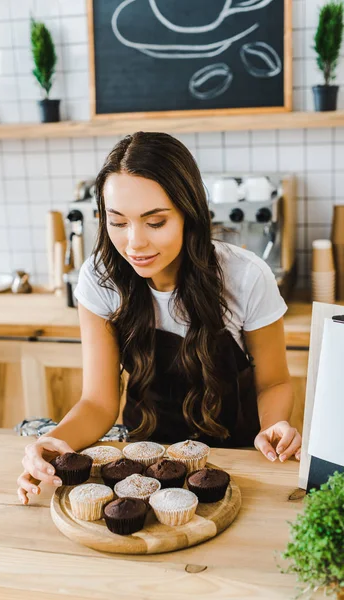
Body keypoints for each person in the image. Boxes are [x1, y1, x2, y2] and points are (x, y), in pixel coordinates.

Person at [17, 131, 302, 505]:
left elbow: (274, 381)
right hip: (142, 462)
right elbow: (99, 402)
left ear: (189, 213)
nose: (134, 243)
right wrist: (55, 442)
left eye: (155, 222)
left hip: (239, 459)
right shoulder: (100, 278)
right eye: (118, 222)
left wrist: (275, 426)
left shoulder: (244, 276)